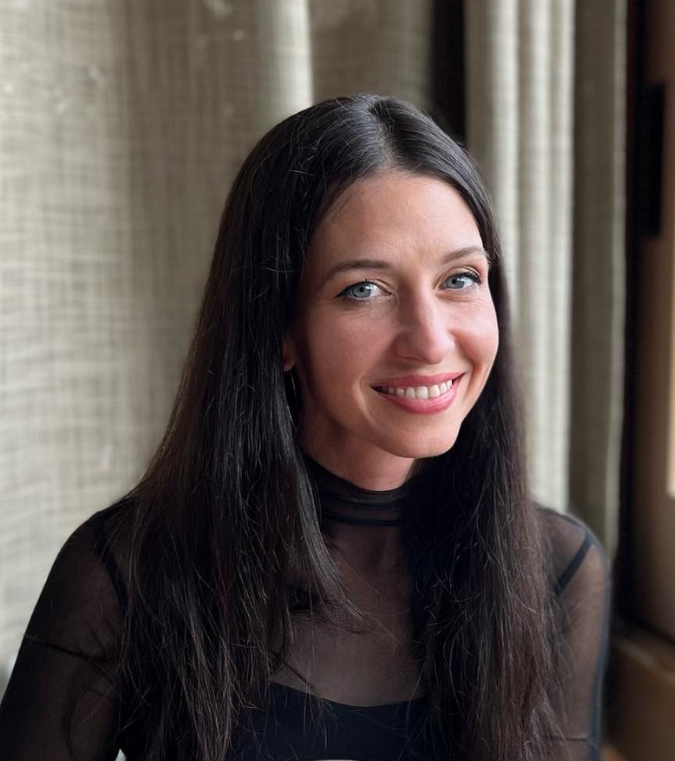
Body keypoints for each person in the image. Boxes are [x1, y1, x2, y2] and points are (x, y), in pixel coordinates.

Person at [0, 94, 611, 761]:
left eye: (460, 279)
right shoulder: (126, 574)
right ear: (280, 328)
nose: (432, 341)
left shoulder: (558, 571)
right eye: (364, 289)